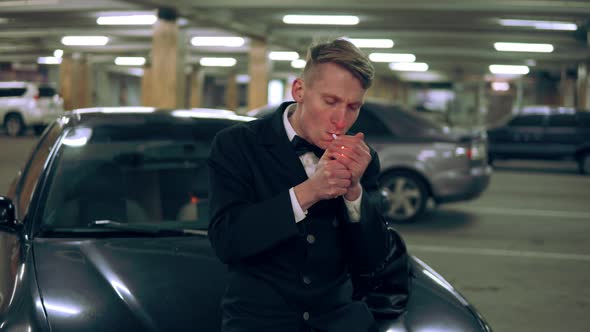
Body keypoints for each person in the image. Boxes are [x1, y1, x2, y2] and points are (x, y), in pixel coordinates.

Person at [208, 38, 405, 332]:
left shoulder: (363, 160)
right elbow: (228, 241)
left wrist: (354, 194)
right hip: (259, 322)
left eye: (353, 107)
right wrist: (309, 192)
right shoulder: (237, 144)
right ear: (299, 90)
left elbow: (373, 262)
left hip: (338, 322)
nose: (341, 120)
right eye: (330, 101)